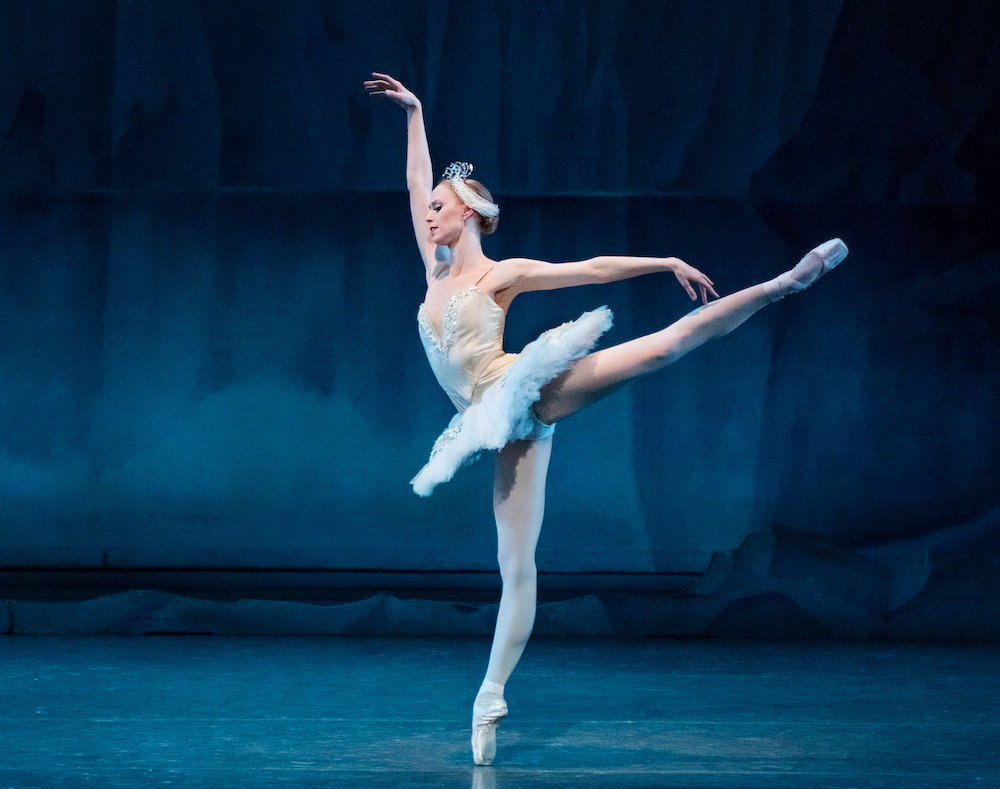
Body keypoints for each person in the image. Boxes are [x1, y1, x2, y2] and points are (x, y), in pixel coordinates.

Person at [365, 71, 847, 766]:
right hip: (493, 424)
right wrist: (414, 114)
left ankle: (783, 283)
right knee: (517, 567)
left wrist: (664, 260)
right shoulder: (434, 272)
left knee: (661, 348)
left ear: (466, 213)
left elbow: (589, 269)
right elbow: (415, 183)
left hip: (522, 389)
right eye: (429, 210)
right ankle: (489, 697)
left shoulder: (500, 274)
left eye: (440, 208)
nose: (429, 216)